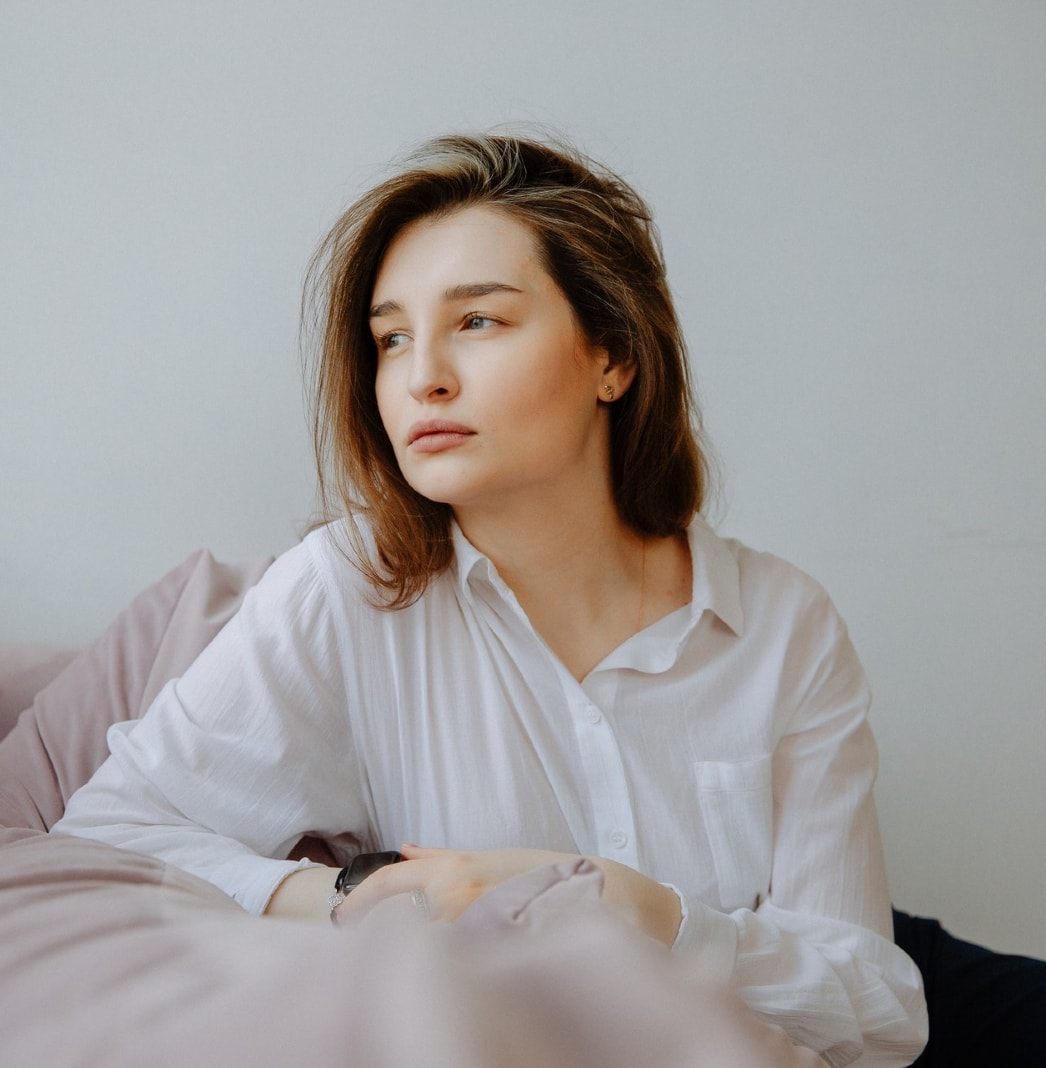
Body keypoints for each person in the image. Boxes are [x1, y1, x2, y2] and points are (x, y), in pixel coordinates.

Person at [54, 133, 928, 1065]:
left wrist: (637, 909)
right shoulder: (346, 588)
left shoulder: (784, 624)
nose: (422, 373)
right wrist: (359, 901)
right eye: (391, 338)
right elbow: (113, 833)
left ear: (614, 357)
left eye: (478, 321)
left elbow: (878, 1012)